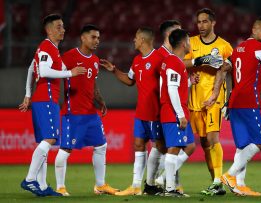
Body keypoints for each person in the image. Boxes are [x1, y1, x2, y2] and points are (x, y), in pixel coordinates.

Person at [19, 14, 86, 196]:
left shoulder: (49, 48)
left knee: (45, 142)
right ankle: (30, 179)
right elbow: (46, 71)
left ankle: (41, 187)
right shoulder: (47, 46)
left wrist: (27, 94)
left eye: (63, 26)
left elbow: (31, 69)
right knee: (50, 139)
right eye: (58, 27)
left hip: (41, 99)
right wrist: (70, 73)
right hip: (46, 99)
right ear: (49, 30)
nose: (63, 30)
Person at [54, 24, 119, 196]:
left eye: (98, 37)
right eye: (93, 37)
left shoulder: (95, 60)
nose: (97, 40)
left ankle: (100, 185)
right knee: (65, 150)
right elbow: (52, 75)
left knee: (101, 145)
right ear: (83, 38)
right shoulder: (68, 57)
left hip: (91, 113)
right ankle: (60, 187)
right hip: (72, 113)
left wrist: (100, 100)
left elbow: (93, 84)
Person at [100, 27, 164, 196]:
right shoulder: (137, 60)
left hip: (155, 112)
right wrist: (114, 70)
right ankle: (136, 185)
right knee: (138, 145)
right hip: (141, 112)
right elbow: (130, 80)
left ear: (143, 40)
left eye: (136, 38)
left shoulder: (159, 58)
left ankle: (157, 181)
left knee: (160, 146)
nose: (134, 40)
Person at [221, 17, 261, 196]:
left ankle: (240, 186)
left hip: (234, 101)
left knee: (242, 146)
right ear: (254, 30)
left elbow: (226, 68)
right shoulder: (260, 48)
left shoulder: (238, 48)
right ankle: (230, 175)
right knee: (260, 141)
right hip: (248, 100)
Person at [183, 8, 233, 196]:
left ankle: (218, 180)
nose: (201, 25)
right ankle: (215, 182)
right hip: (196, 99)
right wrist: (200, 61)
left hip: (214, 97)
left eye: (205, 22)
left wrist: (225, 97)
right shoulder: (192, 42)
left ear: (213, 23)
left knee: (213, 138)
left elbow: (229, 66)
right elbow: (180, 62)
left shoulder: (224, 46)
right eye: (198, 22)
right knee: (204, 143)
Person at [159, 29, 196, 197]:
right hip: (173, 111)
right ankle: (170, 189)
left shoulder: (173, 61)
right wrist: (180, 114)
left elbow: (175, 87)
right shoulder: (174, 62)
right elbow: (171, 89)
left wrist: (188, 82)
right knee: (173, 149)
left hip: (175, 110)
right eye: (188, 41)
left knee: (189, 145)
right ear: (183, 44)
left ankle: (164, 180)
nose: (190, 44)